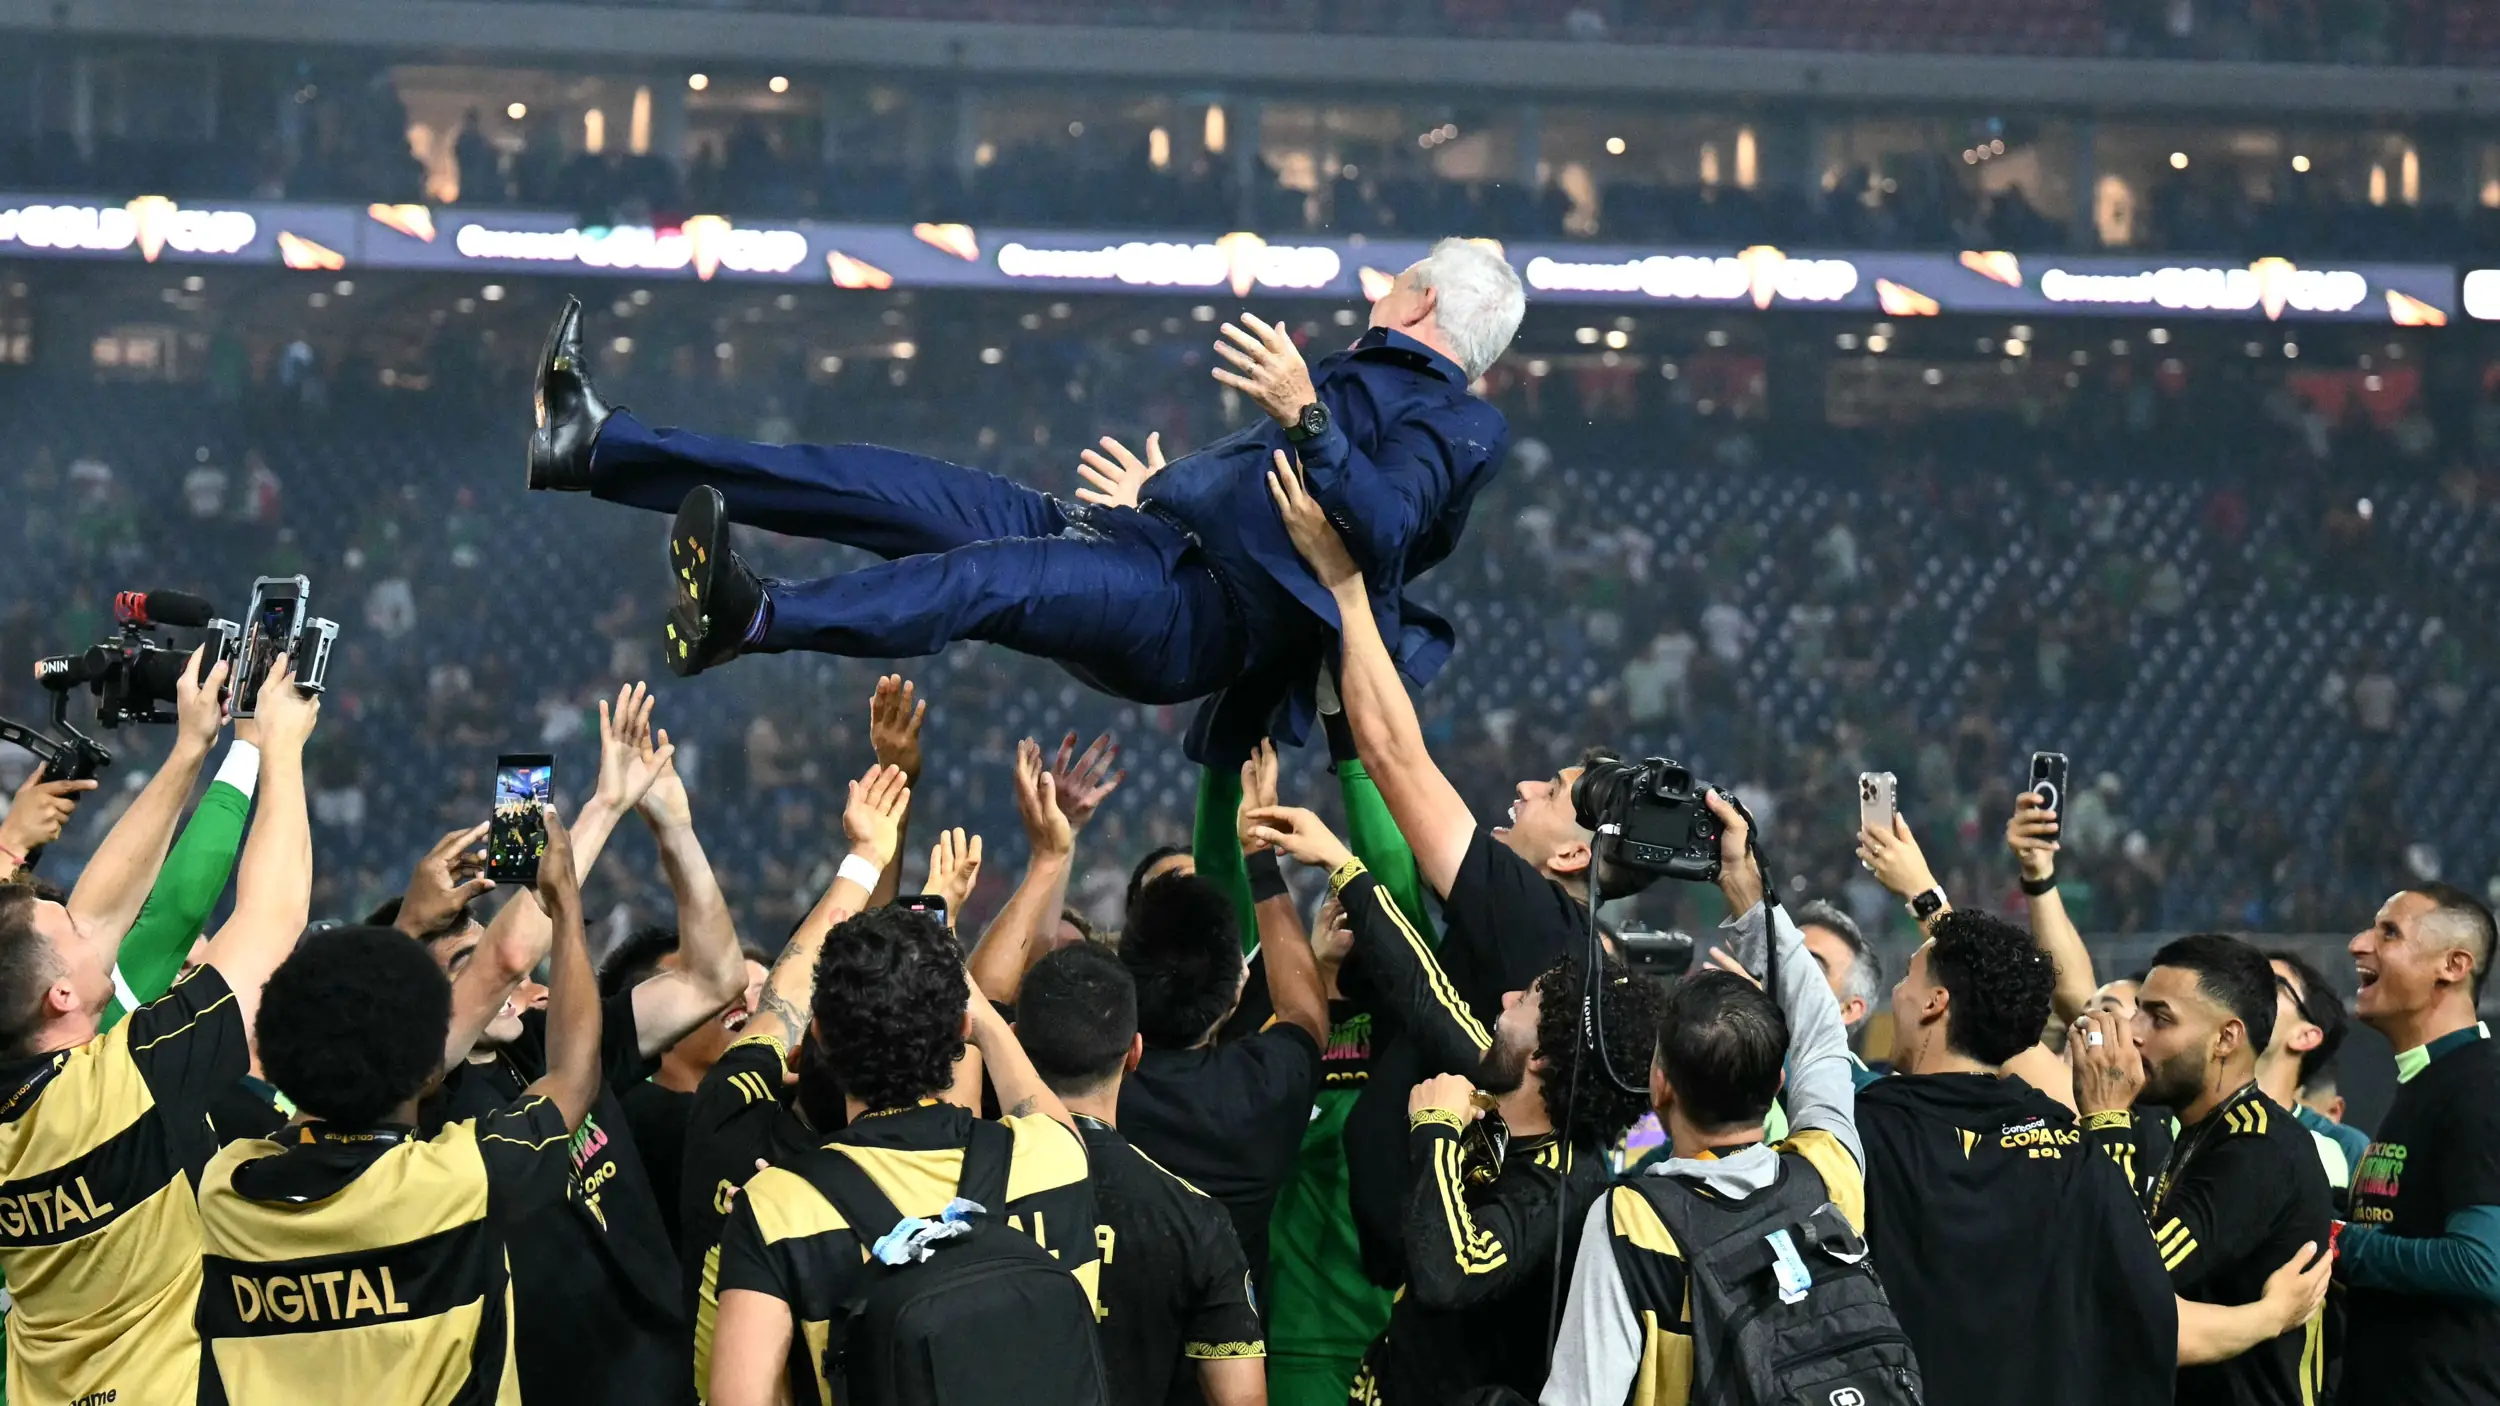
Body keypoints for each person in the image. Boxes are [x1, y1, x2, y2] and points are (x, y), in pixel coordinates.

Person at [526, 238, 1525, 765]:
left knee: (983, 580)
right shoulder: (1364, 373)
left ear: (1424, 298)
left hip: (1188, 613)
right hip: (1138, 536)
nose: (1384, 287)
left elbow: (1383, 528)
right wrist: (1167, 486)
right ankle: (596, 447)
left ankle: (753, 616)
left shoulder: (1458, 421)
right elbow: (1268, 496)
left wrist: (1306, 414)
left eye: (1399, 279)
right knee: (864, 480)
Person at [1264, 451, 1623, 1289]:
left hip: (1423, 1263)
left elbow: (1401, 760)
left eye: (1555, 789)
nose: (1528, 785)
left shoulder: (1538, 918)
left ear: (1574, 855)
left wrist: (1346, 585)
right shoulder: (1580, 949)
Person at [1247, 796, 1661, 1404]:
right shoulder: (1509, 1101)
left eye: (1524, 1002)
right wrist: (1340, 862)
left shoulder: (1561, 1188)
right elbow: (1425, 992)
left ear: (1542, 1057)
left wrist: (1438, 1133)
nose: (1503, 999)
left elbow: (1451, 1271)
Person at [194, 811, 600, 1404]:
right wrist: (564, 908)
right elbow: (573, 1073)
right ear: (432, 1071)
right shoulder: (464, 1178)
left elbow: (321, 1058)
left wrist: (408, 923)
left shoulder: (229, 1188)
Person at [419, 685, 753, 1406]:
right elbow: (508, 953)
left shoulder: (550, 1040)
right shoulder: (422, 1095)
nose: (500, 978)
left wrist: (673, 827)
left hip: (668, 1380)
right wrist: (602, 807)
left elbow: (715, 977)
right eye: (458, 965)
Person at [0, 655, 310, 1405]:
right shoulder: (134, 1074)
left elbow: (107, 914)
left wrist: (192, 750)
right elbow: (271, 920)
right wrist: (283, 750)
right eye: (67, 928)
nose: (89, 922)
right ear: (62, 996)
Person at [706, 907, 1102, 1406]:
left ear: (821, 1037)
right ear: (962, 1027)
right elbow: (1045, 1114)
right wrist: (979, 1017)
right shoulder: (1054, 1158)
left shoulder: (777, 1208)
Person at [1538, 792, 1857, 1406]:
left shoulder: (1633, 1219)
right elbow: (1820, 1035)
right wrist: (1743, 882)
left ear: (1660, 1085)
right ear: (1774, 1088)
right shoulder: (1829, 1175)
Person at [683, 762, 910, 1399]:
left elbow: (782, 996)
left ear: (801, 1052)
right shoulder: (929, 1176)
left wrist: (864, 858)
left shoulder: (728, 1118)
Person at [2072, 933, 2337, 1405]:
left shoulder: (2260, 1149)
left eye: (2159, 1018)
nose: (2134, 1032)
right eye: (2137, 1011)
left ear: (2225, 1038)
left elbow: (2131, 1276)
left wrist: (2106, 1119)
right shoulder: (2201, 1129)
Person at [1017, 943, 1266, 1406]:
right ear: (1134, 1052)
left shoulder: (962, 1188)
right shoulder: (1195, 1217)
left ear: (1015, 1041)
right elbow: (1243, 1399)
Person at [1114, 834, 1328, 1292]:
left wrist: (1048, 860)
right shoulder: (1259, 1091)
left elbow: (985, 1007)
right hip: (1229, 1352)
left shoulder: (1086, 1082)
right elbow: (1305, 1014)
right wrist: (1260, 861)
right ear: (1236, 989)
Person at [2338, 883, 2500, 1406]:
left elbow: (2482, 1263)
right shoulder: (2431, 1082)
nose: (2359, 944)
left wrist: (2336, 1243)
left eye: (2390, 932)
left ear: (2452, 965)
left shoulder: (2481, 1086)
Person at [598, 927, 771, 1255]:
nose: (732, 993)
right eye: (700, 986)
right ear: (649, 1021)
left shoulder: (754, 1105)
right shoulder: (649, 1125)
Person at [2257, 949, 2370, 1200]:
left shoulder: (2345, 1149)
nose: (2242, 990)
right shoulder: (2169, 1123)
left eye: (2270, 983)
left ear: (2305, 1035)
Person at [1791, 899, 1885, 1085]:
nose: (1785, 970)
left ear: (1848, 1009)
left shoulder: (1867, 1096)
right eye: (1784, 955)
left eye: (1812, 966)